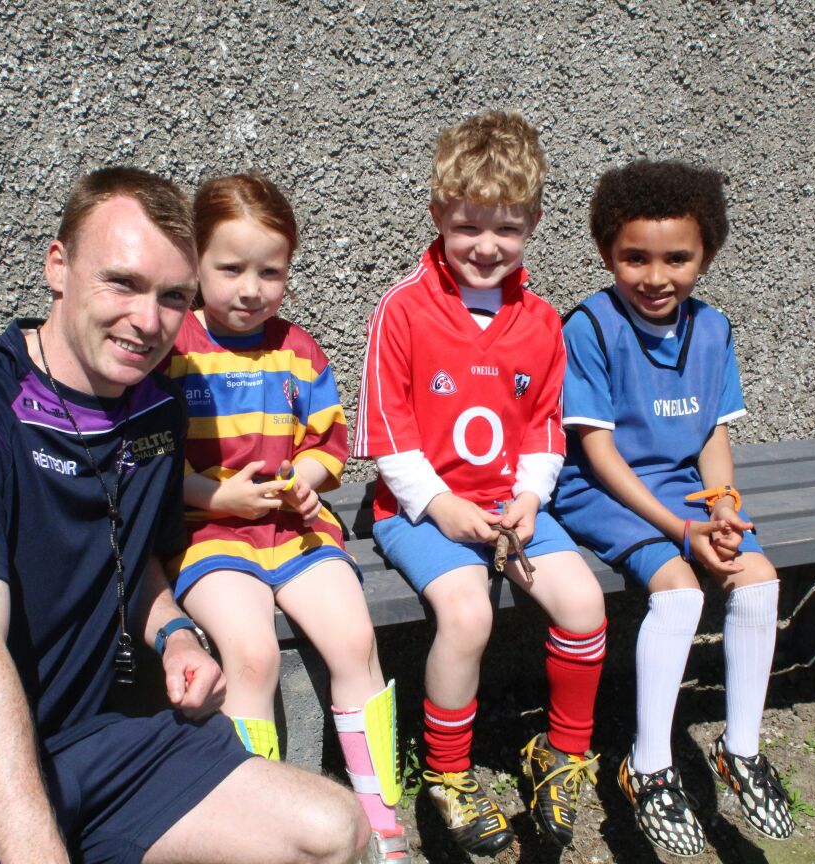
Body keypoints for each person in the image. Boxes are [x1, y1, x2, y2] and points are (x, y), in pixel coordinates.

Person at [0, 167, 369, 864]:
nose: (148, 319)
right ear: (58, 266)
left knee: (332, 831)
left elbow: (143, 573)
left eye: (173, 297)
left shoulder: (155, 410)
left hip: (78, 745)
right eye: (122, 283)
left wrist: (181, 638)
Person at [354, 111, 608, 856]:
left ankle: (561, 757)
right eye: (468, 226)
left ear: (532, 221)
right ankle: (449, 776)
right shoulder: (402, 308)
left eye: (506, 227)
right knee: (468, 615)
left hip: (510, 506)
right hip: (420, 509)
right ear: (438, 215)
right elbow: (389, 436)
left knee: (585, 601)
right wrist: (441, 505)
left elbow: (543, 429)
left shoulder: (540, 322)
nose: (486, 246)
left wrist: (530, 498)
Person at [159, 173, 412, 863]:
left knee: (355, 641)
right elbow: (149, 464)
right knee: (251, 654)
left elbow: (325, 443)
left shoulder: (298, 350)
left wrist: (304, 481)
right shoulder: (174, 350)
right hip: (208, 533)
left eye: (270, 271)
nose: (251, 288)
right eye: (230, 268)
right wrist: (216, 499)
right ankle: (250, 830)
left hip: (295, 531)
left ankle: (381, 817)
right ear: (194, 263)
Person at [550, 159, 795, 857]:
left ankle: (739, 749)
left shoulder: (713, 329)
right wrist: (682, 532)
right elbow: (597, 454)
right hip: (608, 493)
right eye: (635, 257)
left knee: (758, 577)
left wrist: (721, 508)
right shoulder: (591, 327)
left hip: (684, 494)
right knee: (681, 592)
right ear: (607, 253)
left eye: (677, 258)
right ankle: (648, 765)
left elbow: (714, 435)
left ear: (705, 256)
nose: (656, 276)